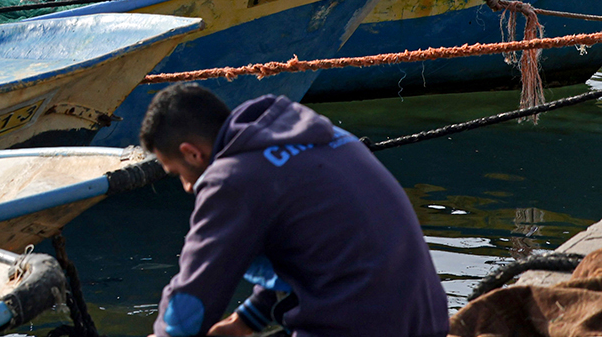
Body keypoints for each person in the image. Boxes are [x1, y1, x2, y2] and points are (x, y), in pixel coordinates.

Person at [140, 83, 447, 337]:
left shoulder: (232, 178)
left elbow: (193, 296)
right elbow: (322, 258)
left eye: (177, 173)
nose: (186, 187)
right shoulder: (317, 135)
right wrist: (244, 322)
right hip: (428, 320)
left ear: (191, 153)